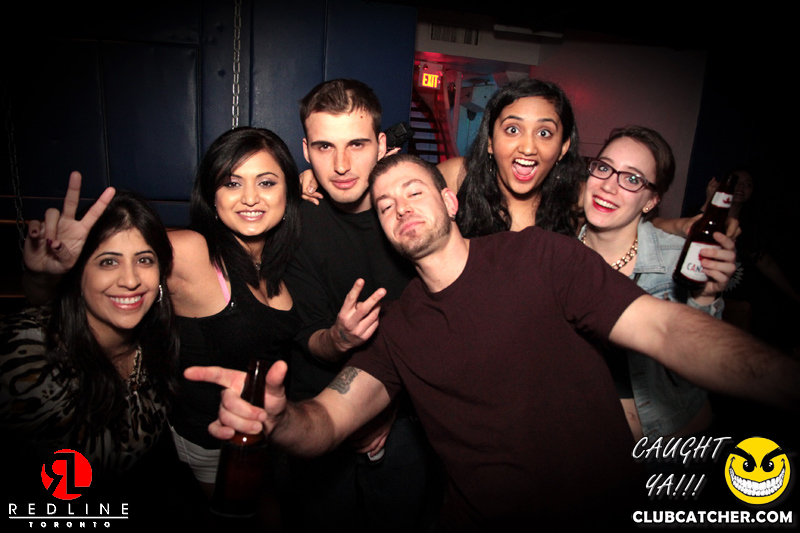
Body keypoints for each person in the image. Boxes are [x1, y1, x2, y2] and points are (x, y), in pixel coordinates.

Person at [187, 155, 799, 530]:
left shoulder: (540, 257)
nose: (400, 209)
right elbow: (327, 418)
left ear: (449, 200)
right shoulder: (397, 325)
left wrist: (783, 379)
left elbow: (663, 327)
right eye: (385, 205)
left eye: (414, 192)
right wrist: (279, 421)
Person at [19, 127, 303, 519]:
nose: (251, 197)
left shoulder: (283, 259)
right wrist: (45, 278)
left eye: (267, 182)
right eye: (232, 182)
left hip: (267, 432)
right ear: (212, 196)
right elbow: (112, 271)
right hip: (210, 441)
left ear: (288, 193)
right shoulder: (193, 251)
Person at [281, 78, 438, 532]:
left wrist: (387, 408)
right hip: (316, 406)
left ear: (382, 145)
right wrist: (339, 337)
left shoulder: (415, 214)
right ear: (306, 151)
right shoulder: (294, 220)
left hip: (404, 412)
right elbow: (310, 338)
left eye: (357, 144)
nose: (341, 165)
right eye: (324, 147)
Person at [1, 190, 177, 494]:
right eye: (108, 262)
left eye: (144, 260)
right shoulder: (27, 356)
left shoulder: (159, 344)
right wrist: (40, 279)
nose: (130, 280)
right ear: (78, 274)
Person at [578, 126, 735, 440]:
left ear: (651, 200)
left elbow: (704, 363)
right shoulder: (557, 251)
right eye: (604, 168)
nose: (608, 186)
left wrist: (705, 299)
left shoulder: (681, 259)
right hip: (591, 447)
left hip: (674, 445)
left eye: (632, 179)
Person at [437, 78, 585, 237]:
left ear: (563, 148)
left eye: (544, 133)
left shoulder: (577, 203)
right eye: (513, 130)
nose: (528, 148)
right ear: (490, 141)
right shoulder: (456, 177)